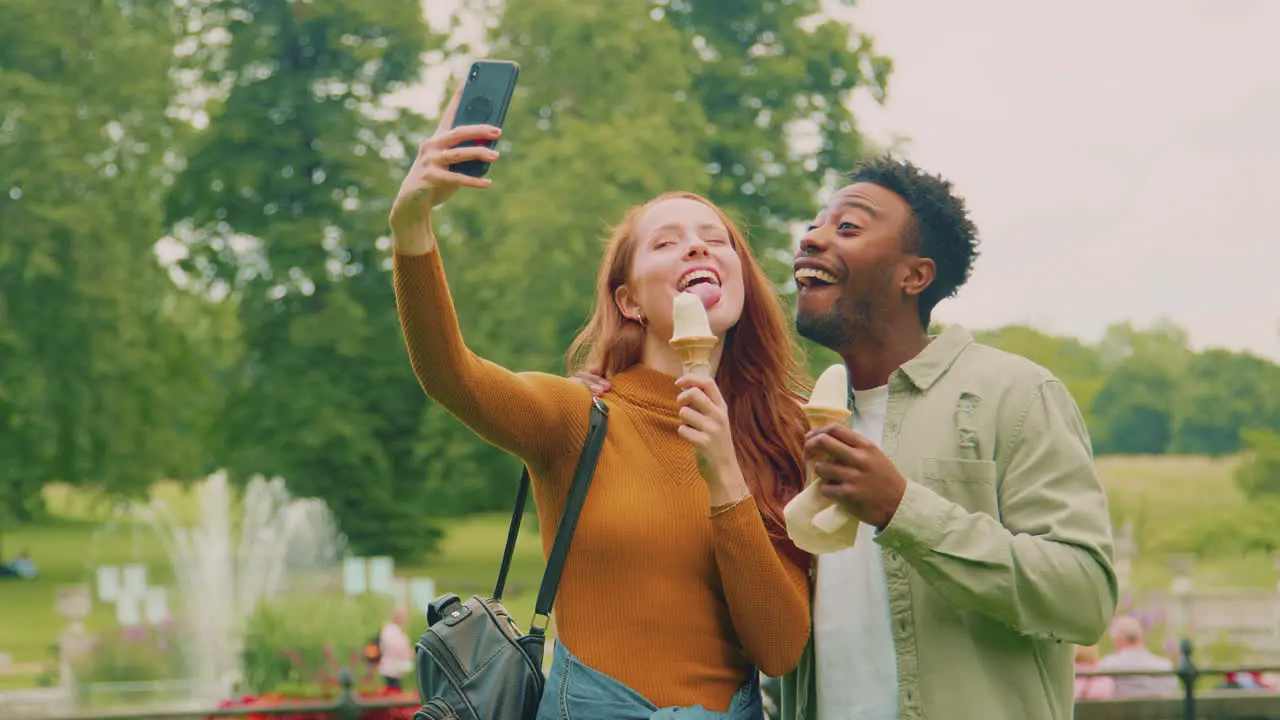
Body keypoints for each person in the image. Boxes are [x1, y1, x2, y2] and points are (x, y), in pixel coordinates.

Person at [389, 80, 811, 719]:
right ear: (629, 301)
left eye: (715, 237)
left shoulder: (780, 432)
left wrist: (725, 471)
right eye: (666, 241)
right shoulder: (577, 419)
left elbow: (779, 650)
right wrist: (412, 222)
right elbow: (451, 374)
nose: (697, 245)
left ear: (742, 281)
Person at [774, 156, 1117, 720]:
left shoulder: (1017, 394)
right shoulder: (800, 423)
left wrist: (901, 509)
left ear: (915, 276)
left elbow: (1084, 598)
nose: (812, 239)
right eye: (815, 224)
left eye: (848, 227)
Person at [1095, 615, 1179, 698]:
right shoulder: (1165, 666)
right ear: (1142, 638)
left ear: (1118, 640)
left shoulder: (1106, 665)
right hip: (1159, 711)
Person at [377, 607, 415, 692]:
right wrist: (408, 653)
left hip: (397, 670)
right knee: (392, 695)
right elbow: (395, 647)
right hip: (390, 670)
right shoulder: (389, 630)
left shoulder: (397, 630)